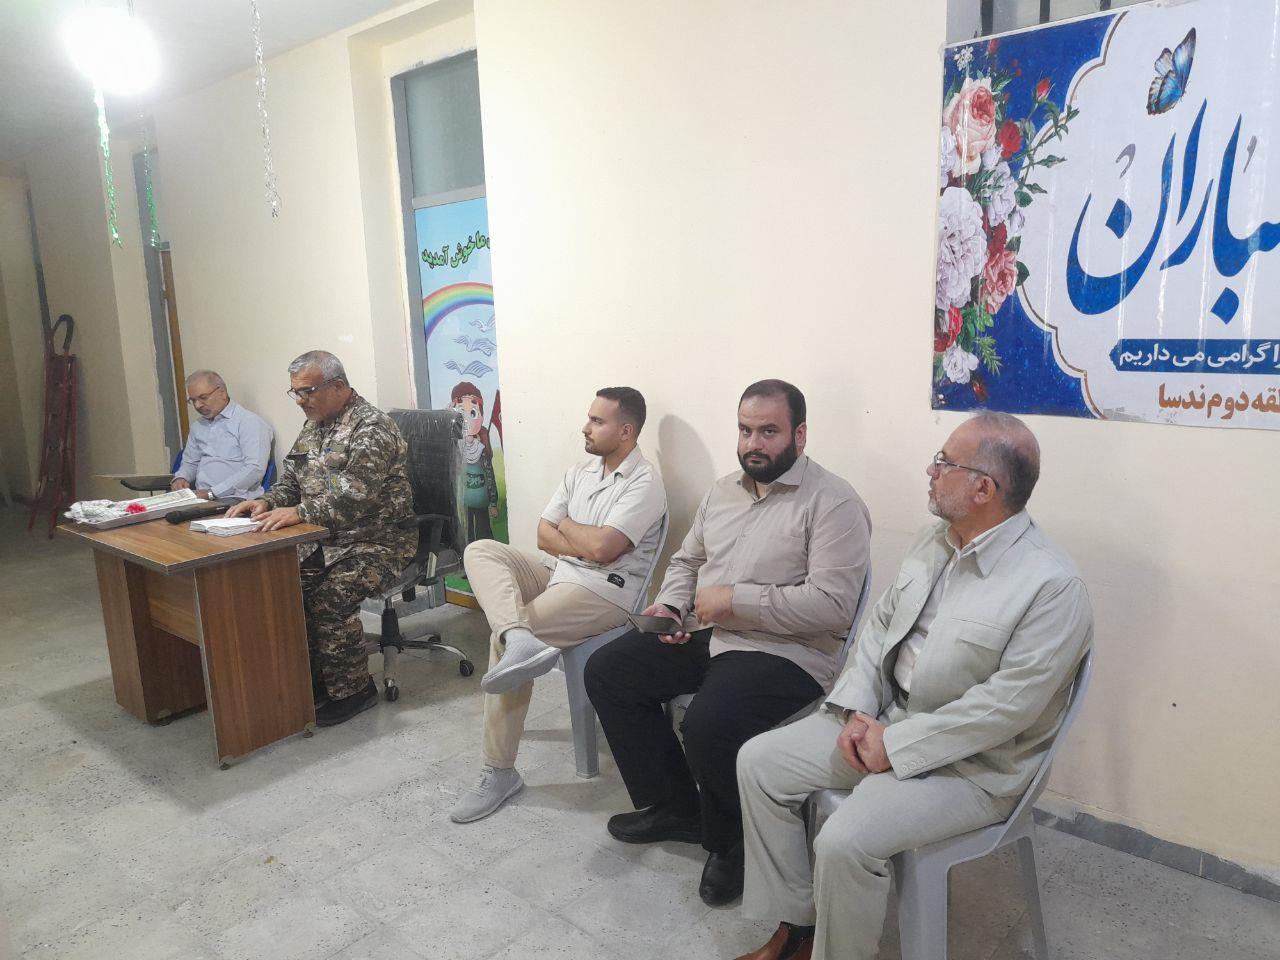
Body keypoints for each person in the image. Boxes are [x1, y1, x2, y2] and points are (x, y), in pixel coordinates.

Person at [734, 412, 1093, 960]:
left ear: (983, 489)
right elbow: (879, 629)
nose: (931, 470)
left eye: (945, 462)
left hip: (975, 767)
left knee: (844, 841)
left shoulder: (1051, 586)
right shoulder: (934, 541)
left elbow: (1006, 709)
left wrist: (895, 745)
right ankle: (801, 931)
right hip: (885, 719)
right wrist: (858, 710)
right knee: (759, 763)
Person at [584, 379, 870, 907]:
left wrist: (736, 600)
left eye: (769, 431)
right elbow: (688, 561)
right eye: (745, 430)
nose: (753, 444)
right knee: (609, 670)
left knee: (709, 724)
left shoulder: (834, 503)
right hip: (710, 633)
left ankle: (733, 844)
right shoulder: (723, 492)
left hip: (788, 652)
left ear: (800, 435)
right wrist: (671, 606)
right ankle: (676, 807)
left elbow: (833, 606)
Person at [450, 387, 667, 824]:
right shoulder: (579, 472)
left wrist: (567, 526)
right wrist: (581, 540)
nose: (585, 428)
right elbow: (542, 535)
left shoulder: (646, 484)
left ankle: (500, 771)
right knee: (481, 551)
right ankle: (518, 636)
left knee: (502, 639)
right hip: (558, 570)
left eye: (597, 422)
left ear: (626, 431)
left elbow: (604, 550)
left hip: (603, 592)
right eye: (589, 418)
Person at [227, 351, 415, 727]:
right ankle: (317, 682)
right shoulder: (314, 425)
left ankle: (355, 692)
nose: (300, 401)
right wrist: (268, 501)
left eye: (308, 391)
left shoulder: (371, 427)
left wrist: (299, 513)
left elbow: (357, 494)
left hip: (379, 541)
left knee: (330, 598)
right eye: (295, 392)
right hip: (327, 539)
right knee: (286, 588)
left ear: (339, 386)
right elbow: (292, 480)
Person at [170, 370, 273, 501]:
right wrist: (181, 477)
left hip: (235, 499)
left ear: (222, 393)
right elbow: (190, 462)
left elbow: (254, 469)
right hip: (201, 498)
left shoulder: (249, 423)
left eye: (203, 398)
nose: (197, 405)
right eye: (193, 400)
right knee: (151, 510)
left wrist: (212, 493)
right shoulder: (198, 426)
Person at [450, 380, 500, 543]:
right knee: (467, 537)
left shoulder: (482, 449)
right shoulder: (455, 448)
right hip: (464, 504)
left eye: (472, 413)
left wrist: (493, 503)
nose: (467, 420)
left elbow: (490, 477)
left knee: (484, 535)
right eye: (461, 413)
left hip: (482, 502)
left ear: (481, 416)